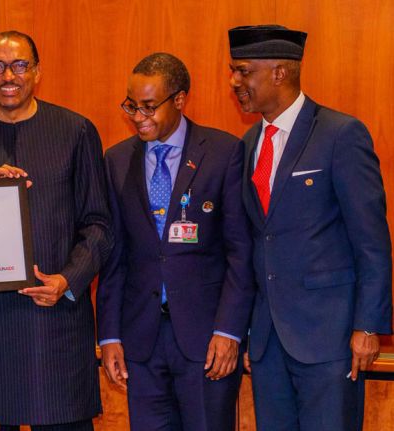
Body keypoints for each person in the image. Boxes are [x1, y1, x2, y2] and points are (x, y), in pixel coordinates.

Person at [0, 31, 112, 430]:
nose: (8, 76)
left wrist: (67, 280)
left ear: (37, 71)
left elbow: (100, 225)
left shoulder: (75, 131)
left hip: (56, 319)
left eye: (19, 65)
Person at [228, 25, 393, 430]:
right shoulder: (249, 143)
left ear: (280, 73)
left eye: (244, 71)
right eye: (233, 71)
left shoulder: (340, 134)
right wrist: (249, 331)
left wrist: (368, 326)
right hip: (268, 343)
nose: (235, 82)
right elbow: (255, 241)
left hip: (330, 340)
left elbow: (372, 241)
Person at [96, 53, 254, 431]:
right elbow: (114, 255)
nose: (138, 117)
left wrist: (229, 331)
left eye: (149, 107)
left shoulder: (223, 152)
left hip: (206, 339)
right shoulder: (116, 160)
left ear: (179, 100)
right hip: (140, 341)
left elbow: (240, 251)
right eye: (131, 106)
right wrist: (110, 335)